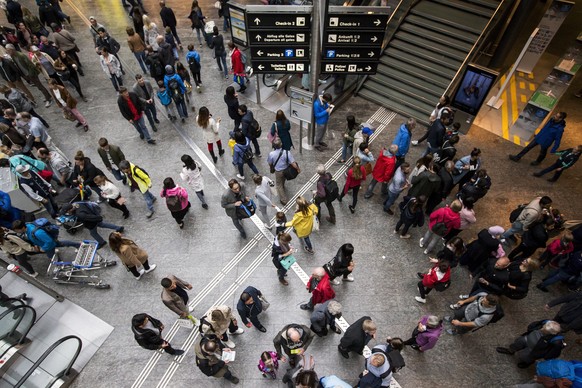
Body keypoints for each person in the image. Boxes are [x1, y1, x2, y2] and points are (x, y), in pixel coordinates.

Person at [496, 320, 565, 368]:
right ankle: (510, 350)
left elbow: (553, 353)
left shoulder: (557, 341)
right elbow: (534, 325)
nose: (542, 328)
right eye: (544, 326)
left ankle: (527, 363)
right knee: (517, 343)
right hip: (527, 338)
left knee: (526, 357)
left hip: (534, 349)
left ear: (550, 333)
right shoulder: (547, 322)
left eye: (544, 329)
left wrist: (539, 355)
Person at [14, 219, 79, 261]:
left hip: (48, 246)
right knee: (61, 244)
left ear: (22, 227)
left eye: (17, 230)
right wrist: (36, 244)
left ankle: (61, 265)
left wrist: (44, 248)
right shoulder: (28, 226)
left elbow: (49, 241)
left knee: (53, 258)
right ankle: (78, 245)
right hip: (46, 242)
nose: (17, 232)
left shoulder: (38, 233)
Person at [267, 139, 299, 205]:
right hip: (286, 170)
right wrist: (298, 169)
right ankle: (283, 185)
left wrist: (271, 167)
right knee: (283, 179)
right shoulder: (287, 152)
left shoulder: (271, 154)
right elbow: (293, 163)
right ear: (281, 145)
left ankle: (284, 200)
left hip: (278, 171)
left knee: (279, 185)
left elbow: (270, 163)